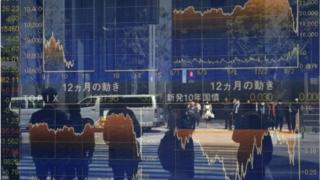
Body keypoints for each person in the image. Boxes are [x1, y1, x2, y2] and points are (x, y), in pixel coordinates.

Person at [29, 87, 68, 180]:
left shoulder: (36, 115)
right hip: (57, 154)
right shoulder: (61, 115)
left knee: (42, 177)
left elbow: (33, 137)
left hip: (41, 154)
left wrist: (34, 155)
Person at [103, 101, 142, 180]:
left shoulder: (110, 114)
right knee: (130, 175)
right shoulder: (129, 113)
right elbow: (138, 132)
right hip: (129, 152)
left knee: (117, 176)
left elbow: (105, 136)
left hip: (115, 152)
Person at [232, 112, 273, 180]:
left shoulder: (245, 130)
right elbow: (269, 147)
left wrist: (238, 124)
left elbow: (235, 137)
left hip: (245, 159)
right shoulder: (263, 131)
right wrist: (266, 161)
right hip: (259, 161)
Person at [66, 104, 95, 180]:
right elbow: (91, 141)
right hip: (82, 155)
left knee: (69, 176)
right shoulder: (85, 123)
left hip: (69, 156)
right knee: (82, 176)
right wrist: (90, 155)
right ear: (79, 111)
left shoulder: (66, 124)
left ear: (69, 112)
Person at [1, 93, 20, 180]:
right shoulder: (14, 115)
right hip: (7, 150)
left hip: (6, 149)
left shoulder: (13, 116)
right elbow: (16, 135)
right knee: (12, 172)